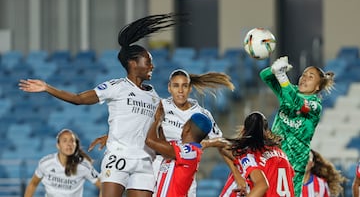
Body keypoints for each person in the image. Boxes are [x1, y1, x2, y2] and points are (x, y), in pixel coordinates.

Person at [19, 13, 180, 197]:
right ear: (133, 63)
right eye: (148, 61)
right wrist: (48, 88)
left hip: (144, 160)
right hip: (118, 157)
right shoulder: (116, 87)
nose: (152, 66)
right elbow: (79, 99)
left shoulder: (154, 96)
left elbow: (148, 128)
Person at [88, 68, 235, 196]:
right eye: (176, 86)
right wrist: (111, 137)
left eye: (184, 86)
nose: (181, 90)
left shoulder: (202, 115)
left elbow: (221, 143)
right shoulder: (160, 105)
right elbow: (137, 127)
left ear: (190, 89)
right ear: (169, 88)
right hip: (157, 169)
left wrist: (236, 174)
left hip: (183, 175)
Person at [259, 56, 335, 196]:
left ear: (317, 87)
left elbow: (296, 103)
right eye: (303, 74)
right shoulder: (289, 91)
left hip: (294, 163)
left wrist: (282, 76)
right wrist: (274, 69)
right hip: (273, 156)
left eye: (310, 77)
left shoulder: (315, 105)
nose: (304, 78)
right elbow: (264, 76)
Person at [201, 111, 295, 197]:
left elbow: (224, 145)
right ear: (267, 132)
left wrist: (206, 143)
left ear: (244, 131)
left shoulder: (250, 155)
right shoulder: (283, 155)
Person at [145, 101, 213, 197]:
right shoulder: (181, 147)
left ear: (187, 128)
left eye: (185, 124)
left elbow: (150, 141)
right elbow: (162, 144)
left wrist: (157, 120)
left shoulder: (190, 151)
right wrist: (160, 122)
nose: (182, 126)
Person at [24, 129, 101, 197]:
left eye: (72, 141)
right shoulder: (46, 163)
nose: (69, 144)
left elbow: (104, 186)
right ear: (58, 145)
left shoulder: (83, 165)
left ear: (75, 145)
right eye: (65, 141)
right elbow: (33, 183)